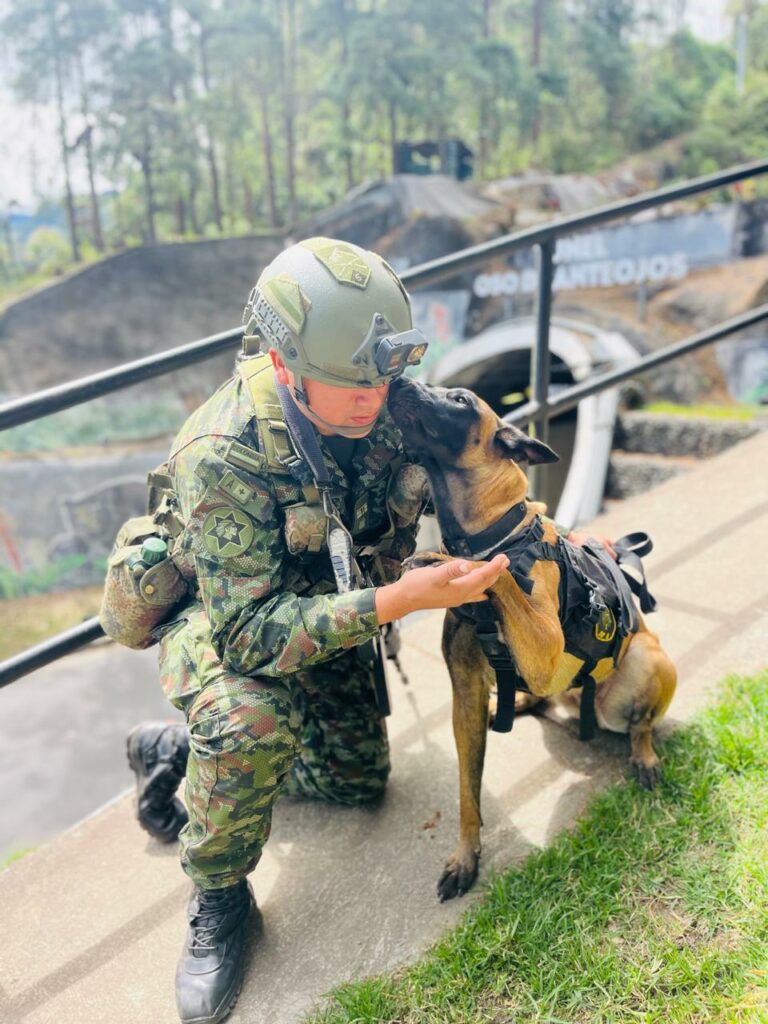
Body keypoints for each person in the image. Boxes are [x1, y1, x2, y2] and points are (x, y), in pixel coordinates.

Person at [128, 236, 510, 1024]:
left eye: (385, 379)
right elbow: (249, 635)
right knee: (250, 724)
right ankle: (220, 898)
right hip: (233, 622)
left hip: (333, 618)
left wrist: (547, 546)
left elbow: (480, 469)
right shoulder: (222, 451)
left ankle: (174, 754)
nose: (375, 402)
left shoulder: (382, 395)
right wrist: (394, 604)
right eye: (351, 385)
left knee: (358, 786)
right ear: (287, 364)